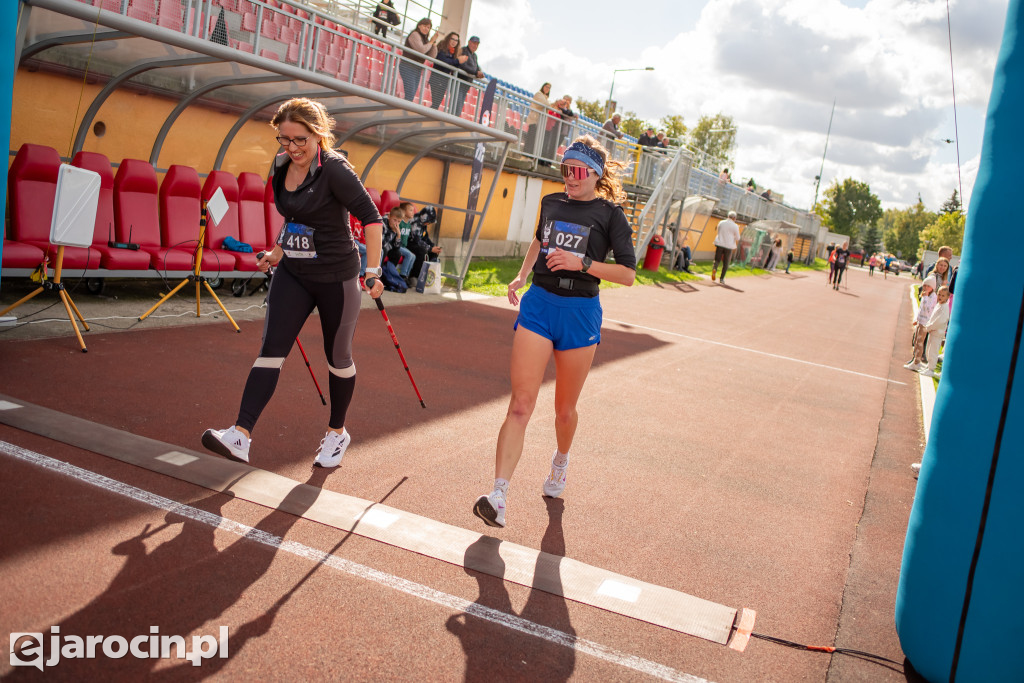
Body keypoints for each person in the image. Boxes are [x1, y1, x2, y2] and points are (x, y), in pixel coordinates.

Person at [202, 98, 385, 468]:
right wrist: (277, 252)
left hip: (337, 277)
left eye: (300, 140)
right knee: (271, 351)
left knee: (337, 358)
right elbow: (295, 218)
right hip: (294, 274)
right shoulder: (281, 165)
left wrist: (374, 270)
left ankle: (337, 432)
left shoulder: (335, 171)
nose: (292, 148)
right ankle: (241, 434)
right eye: (284, 140)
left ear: (318, 135)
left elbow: (372, 218)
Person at [472, 136, 637, 529]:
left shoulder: (610, 214)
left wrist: (583, 263)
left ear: (595, 174)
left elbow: (628, 275)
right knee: (520, 404)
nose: (569, 177)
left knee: (564, 411)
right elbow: (538, 240)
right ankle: (498, 495)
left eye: (577, 171)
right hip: (540, 304)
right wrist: (522, 274)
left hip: (580, 313)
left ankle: (560, 462)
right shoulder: (551, 203)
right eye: (565, 169)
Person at [399, 18, 438, 103]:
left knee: (411, 95)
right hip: (407, 66)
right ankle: (403, 110)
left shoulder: (426, 40)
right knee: (410, 93)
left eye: (428, 27)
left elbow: (431, 57)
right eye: (424, 26)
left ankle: (404, 110)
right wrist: (431, 42)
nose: (426, 29)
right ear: (419, 25)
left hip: (416, 69)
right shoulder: (415, 34)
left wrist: (434, 44)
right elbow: (421, 50)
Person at [916, 286, 951, 378]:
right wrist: (929, 325)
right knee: (928, 349)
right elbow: (932, 317)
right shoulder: (938, 305)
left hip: (937, 333)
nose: (940, 297)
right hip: (932, 331)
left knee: (933, 351)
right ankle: (928, 366)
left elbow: (939, 321)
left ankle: (931, 369)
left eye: (943, 295)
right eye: (939, 294)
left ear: (947, 297)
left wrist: (930, 326)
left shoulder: (945, 307)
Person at [904, 276, 938, 372]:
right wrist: (917, 319)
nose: (926, 288)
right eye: (925, 285)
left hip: (925, 323)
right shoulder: (925, 295)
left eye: (928, 286)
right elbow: (921, 309)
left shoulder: (932, 297)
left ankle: (917, 362)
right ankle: (915, 360)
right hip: (921, 321)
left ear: (933, 287)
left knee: (920, 342)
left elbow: (927, 309)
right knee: (915, 341)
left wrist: (926, 297)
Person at [405, 203, 442, 278]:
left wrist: (433, 246)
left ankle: (428, 275)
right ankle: (414, 276)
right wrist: (430, 249)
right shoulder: (415, 222)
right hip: (408, 243)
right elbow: (417, 240)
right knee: (422, 251)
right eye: (428, 221)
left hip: (416, 242)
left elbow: (425, 237)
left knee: (432, 251)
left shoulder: (423, 223)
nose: (429, 223)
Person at [431, 31, 465, 111]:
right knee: (435, 102)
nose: (454, 42)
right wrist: (457, 61)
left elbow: (453, 64)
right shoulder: (442, 47)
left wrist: (460, 62)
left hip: (444, 81)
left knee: (437, 103)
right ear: (448, 39)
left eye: (456, 40)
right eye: (452, 39)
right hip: (436, 78)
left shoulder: (454, 52)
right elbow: (444, 61)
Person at [454, 36, 484, 117]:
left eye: (477, 44)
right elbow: (463, 65)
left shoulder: (474, 56)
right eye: (474, 43)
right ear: (469, 42)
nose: (475, 46)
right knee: (456, 105)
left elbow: (476, 68)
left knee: (459, 106)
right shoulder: (463, 50)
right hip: (459, 82)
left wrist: (479, 73)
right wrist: (475, 72)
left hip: (466, 84)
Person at [385, 206, 416, 285]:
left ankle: (393, 275)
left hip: (389, 247)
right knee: (384, 251)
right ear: (389, 217)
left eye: (398, 221)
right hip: (382, 247)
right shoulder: (384, 224)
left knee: (397, 253)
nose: (396, 223)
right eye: (394, 220)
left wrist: (398, 234)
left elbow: (396, 247)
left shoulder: (396, 227)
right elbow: (383, 243)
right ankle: (378, 275)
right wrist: (392, 231)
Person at [710, 211, 740, 283]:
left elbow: (718, 231)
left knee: (717, 260)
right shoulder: (735, 226)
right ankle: (721, 278)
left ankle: (715, 269)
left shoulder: (721, 222)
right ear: (734, 218)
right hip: (728, 246)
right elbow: (738, 238)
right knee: (726, 263)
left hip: (719, 243)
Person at [525, 82, 551, 157]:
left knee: (534, 139)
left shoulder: (546, 98)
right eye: (546, 86)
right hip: (534, 119)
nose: (547, 89)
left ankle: (530, 156)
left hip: (540, 121)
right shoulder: (539, 94)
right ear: (543, 86)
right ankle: (526, 155)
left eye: (549, 88)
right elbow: (544, 104)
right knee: (531, 137)